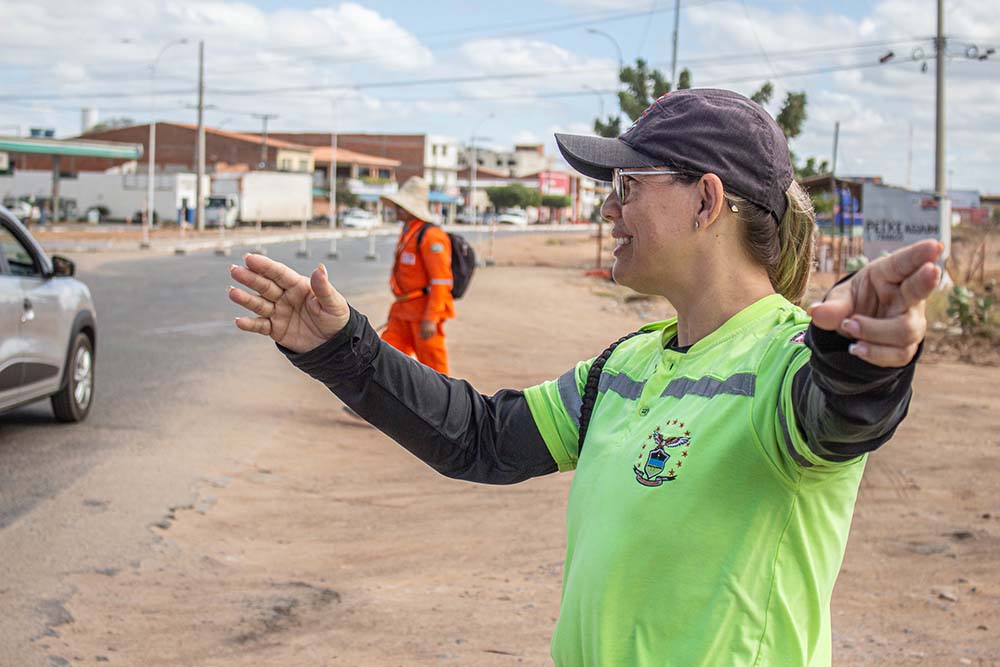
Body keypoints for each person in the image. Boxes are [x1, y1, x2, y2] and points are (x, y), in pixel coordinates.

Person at [227, 88, 941, 666]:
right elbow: (479, 436)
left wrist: (862, 357)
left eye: (627, 184)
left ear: (706, 200)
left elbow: (838, 414)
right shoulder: (626, 367)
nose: (607, 207)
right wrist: (340, 347)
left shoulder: (784, 365)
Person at [379, 176, 455, 374]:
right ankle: (378, 403)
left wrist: (431, 317)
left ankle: (445, 405)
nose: (396, 210)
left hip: (423, 312)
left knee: (434, 370)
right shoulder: (408, 231)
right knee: (384, 359)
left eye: (400, 206)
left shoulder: (431, 236)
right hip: (402, 310)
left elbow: (441, 281)